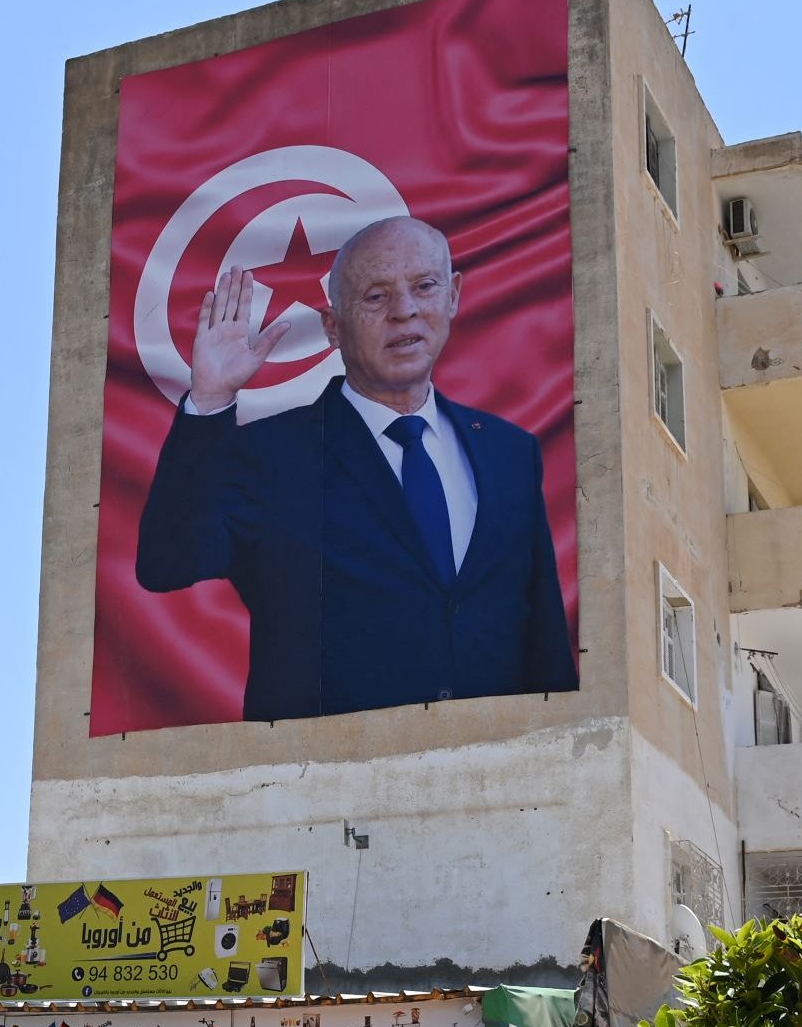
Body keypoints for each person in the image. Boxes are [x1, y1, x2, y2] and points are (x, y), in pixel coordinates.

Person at [136, 215, 577, 721]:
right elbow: (168, 562)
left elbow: (542, 636)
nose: (405, 311)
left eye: (424, 286)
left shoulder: (510, 452)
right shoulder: (271, 453)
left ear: (453, 295)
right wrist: (211, 400)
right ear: (332, 326)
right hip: (327, 783)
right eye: (375, 297)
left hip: (499, 777)